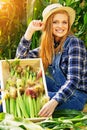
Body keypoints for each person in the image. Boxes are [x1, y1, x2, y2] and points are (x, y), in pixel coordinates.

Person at [16, 3, 87, 117]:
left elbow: (73, 80)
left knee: (26, 97)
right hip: (58, 88)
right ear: (48, 24)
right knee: (27, 77)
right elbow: (20, 61)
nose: (61, 26)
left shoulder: (74, 43)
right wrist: (29, 32)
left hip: (75, 96)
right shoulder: (49, 46)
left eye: (64, 22)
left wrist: (54, 101)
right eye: (55, 22)